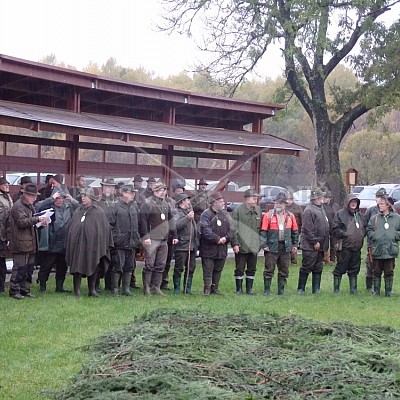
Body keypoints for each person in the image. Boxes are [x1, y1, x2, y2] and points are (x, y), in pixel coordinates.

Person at [65, 188, 113, 297]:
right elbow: (72, 227)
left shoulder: (98, 211)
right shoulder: (78, 211)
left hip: (93, 245)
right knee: (77, 266)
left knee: (93, 264)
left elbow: (104, 229)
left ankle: (92, 290)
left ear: (91, 199)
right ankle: (77, 290)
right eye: (82, 196)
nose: (83, 198)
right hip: (78, 246)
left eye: (85, 196)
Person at [8, 183, 48, 299]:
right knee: (19, 268)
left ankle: (25, 289)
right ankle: (14, 290)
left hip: (30, 242)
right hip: (20, 243)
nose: (35, 198)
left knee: (29, 268)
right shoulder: (18, 206)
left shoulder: (29, 205)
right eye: (33, 196)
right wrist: (37, 219)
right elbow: (22, 222)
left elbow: (31, 224)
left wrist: (41, 224)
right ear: (26, 195)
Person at [35, 190, 79, 293]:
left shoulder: (69, 208)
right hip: (51, 243)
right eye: (58, 198)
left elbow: (80, 207)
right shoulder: (48, 208)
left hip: (64, 243)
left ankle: (59, 287)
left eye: (62, 198)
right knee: (46, 266)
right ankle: (42, 286)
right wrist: (51, 199)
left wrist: (72, 200)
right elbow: (38, 207)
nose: (60, 200)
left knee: (62, 267)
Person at [139, 181, 178, 295]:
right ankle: (146, 287)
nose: (162, 192)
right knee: (149, 264)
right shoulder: (147, 204)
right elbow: (142, 222)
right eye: (160, 190)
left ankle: (156, 287)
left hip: (164, 239)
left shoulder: (166, 204)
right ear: (154, 191)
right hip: (151, 239)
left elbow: (171, 220)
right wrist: (145, 236)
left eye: (163, 190)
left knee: (161, 264)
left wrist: (174, 235)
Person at [260, 192, 298, 295]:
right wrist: (264, 245)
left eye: (280, 203)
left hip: (285, 247)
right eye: (276, 203)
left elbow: (295, 232)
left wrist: (294, 245)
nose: (278, 205)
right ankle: (267, 290)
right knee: (269, 269)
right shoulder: (268, 215)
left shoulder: (291, 216)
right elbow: (263, 231)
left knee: (284, 269)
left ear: (285, 204)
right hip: (271, 247)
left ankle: (281, 290)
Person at [199, 192, 236, 295]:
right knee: (208, 269)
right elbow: (205, 230)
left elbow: (232, 229)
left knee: (218, 269)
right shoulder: (206, 214)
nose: (223, 203)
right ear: (214, 203)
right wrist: (217, 239)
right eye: (220, 202)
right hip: (208, 248)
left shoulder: (225, 214)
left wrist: (226, 238)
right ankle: (207, 288)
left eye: (223, 201)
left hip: (222, 248)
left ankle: (215, 288)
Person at [107, 184, 140, 296]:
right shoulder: (114, 206)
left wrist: (137, 238)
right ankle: (115, 289)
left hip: (132, 242)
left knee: (129, 266)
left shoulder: (134, 206)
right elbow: (109, 225)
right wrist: (115, 238)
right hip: (119, 242)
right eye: (131, 192)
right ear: (124, 193)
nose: (133, 195)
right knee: (117, 266)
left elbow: (137, 224)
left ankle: (126, 289)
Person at [297, 187, 330, 295]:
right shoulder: (309, 210)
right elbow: (307, 228)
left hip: (321, 245)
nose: (323, 198)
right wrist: (314, 241)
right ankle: (301, 289)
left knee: (318, 267)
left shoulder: (321, 208)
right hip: (310, 245)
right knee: (307, 266)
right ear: (316, 198)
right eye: (321, 196)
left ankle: (316, 289)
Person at [331, 194, 366, 294]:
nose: (354, 204)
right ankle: (336, 290)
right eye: (352, 202)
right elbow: (335, 229)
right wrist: (345, 234)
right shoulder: (340, 214)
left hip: (357, 248)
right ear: (348, 203)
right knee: (340, 268)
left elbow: (365, 228)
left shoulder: (360, 215)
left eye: (355, 202)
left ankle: (353, 289)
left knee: (354, 269)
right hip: (344, 247)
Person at [366, 196, 400, 297]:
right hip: (378, 249)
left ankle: (388, 292)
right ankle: (376, 291)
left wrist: (395, 235)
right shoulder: (374, 218)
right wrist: (374, 236)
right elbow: (369, 230)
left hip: (390, 249)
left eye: (382, 204)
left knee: (389, 271)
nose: (379, 206)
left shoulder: (397, 218)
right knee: (376, 271)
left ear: (388, 205)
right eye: (379, 204)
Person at [231, 189, 262, 295]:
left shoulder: (258, 210)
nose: (256, 200)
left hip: (254, 245)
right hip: (242, 245)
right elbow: (233, 229)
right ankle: (239, 289)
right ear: (247, 199)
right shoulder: (238, 211)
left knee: (252, 268)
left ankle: (249, 289)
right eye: (254, 198)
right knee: (239, 268)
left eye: (256, 198)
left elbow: (260, 228)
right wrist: (235, 244)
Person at [363, 187, 388, 293]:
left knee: (386, 265)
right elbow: (365, 226)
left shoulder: (390, 210)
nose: (380, 199)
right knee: (371, 264)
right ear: (375, 198)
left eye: (382, 197)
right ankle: (369, 287)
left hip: (386, 243)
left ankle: (385, 288)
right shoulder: (371, 210)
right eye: (378, 197)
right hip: (373, 243)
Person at [173, 192, 198, 294]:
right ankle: (177, 289)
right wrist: (187, 218)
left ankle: (187, 289)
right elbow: (175, 226)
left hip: (192, 245)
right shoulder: (175, 212)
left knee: (191, 267)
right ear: (182, 201)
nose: (189, 202)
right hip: (182, 245)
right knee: (179, 268)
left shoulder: (189, 212)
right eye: (187, 200)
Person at [97, 178, 119, 291]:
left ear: (115, 189)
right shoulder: (97, 202)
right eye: (105, 187)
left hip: (115, 236)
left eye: (110, 187)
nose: (108, 189)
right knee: (100, 261)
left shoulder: (119, 203)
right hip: (101, 236)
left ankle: (110, 285)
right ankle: (96, 285)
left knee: (114, 261)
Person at [0, 177, 13, 293]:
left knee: (2, 261)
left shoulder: (8, 197)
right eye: (4, 184)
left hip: (4, 234)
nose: (6, 186)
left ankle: (1, 286)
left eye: (7, 184)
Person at [285, 192, 303, 264]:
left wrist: (301, 228)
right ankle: (286, 260)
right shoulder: (283, 207)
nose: (288, 201)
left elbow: (302, 218)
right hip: (286, 228)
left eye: (290, 199)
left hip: (295, 228)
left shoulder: (298, 207)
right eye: (287, 199)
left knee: (294, 243)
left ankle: (293, 260)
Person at [323, 190, 340, 264]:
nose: (326, 199)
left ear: (330, 198)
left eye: (327, 197)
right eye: (325, 197)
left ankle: (333, 259)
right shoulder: (322, 206)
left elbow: (338, 216)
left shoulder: (335, 206)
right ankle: (324, 259)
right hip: (325, 227)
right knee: (325, 243)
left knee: (334, 244)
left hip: (334, 227)